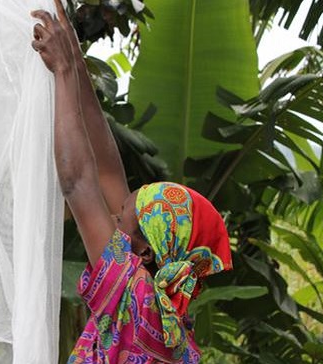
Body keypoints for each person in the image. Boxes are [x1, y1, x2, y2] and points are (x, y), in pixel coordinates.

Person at [30, 1, 233, 362]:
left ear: (144, 251)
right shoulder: (170, 324)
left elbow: (79, 180)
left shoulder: (130, 293)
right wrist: (76, 63)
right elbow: (107, 171)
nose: (110, 218)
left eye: (120, 217)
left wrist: (61, 71)